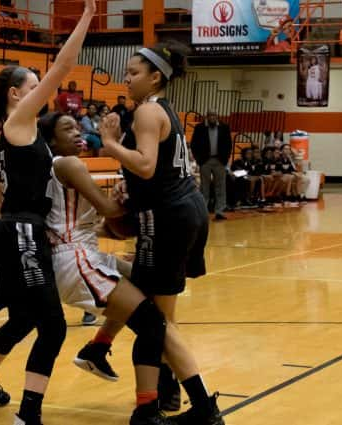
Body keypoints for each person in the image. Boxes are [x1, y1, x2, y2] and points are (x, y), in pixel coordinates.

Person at [0, 3, 136, 424]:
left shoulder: (9, 135)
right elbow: (65, 65)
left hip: (13, 231)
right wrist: (89, 16)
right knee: (52, 327)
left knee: (22, 320)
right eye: (35, 85)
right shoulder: (19, 121)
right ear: (17, 94)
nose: (44, 89)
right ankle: (29, 414)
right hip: (21, 233)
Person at [42, 111, 214, 425]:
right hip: (75, 260)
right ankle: (157, 406)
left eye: (79, 125)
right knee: (153, 322)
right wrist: (146, 197)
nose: (79, 131)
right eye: (68, 128)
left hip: (82, 255)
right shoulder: (67, 164)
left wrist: (130, 206)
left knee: (146, 284)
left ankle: (99, 349)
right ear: (52, 141)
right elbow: (109, 209)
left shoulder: (62, 169)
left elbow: (107, 226)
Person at [95, 41, 224, 425]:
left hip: (168, 217)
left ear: (155, 77)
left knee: (154, 318)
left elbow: (148, 165)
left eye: (133, 72)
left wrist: (110, 145)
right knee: (159, 313)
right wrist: (129, 186)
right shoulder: (163, 110)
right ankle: (166, 391)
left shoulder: (148, 111)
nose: (126, 78)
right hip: (186, 211)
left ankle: (193, 405)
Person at [190, 110, 232, 220]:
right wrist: (199, 160)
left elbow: (228, 144)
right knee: (204, 187)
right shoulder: (199, 128)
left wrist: (225, 159)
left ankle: (220, 211)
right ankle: (203, 211)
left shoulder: (224, 127)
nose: (212, 117)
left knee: (221, 186)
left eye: (214, 115)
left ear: (217, 116)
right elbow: (194, 144)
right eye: (210, 115)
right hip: (205, 161)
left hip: (219, 160)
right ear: (207, 116)